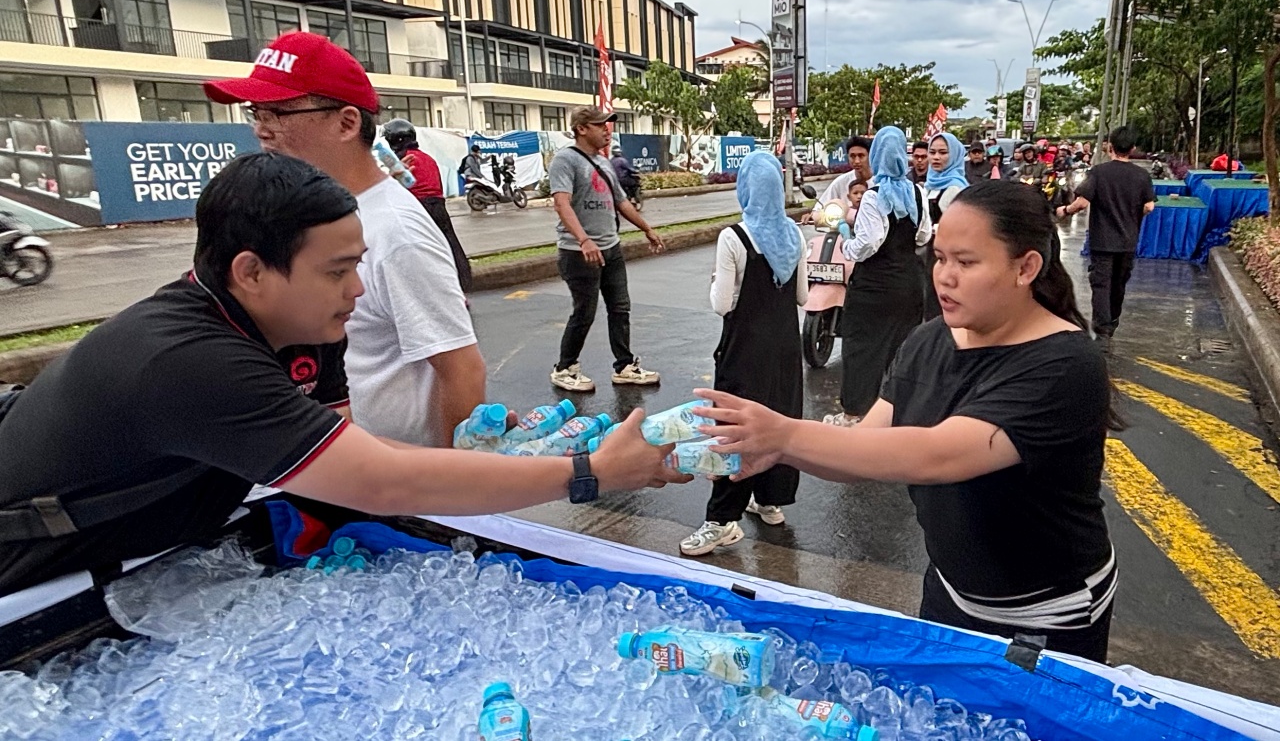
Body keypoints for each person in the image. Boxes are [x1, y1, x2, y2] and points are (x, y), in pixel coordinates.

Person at [0, 153, 687, 597]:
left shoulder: (304, 323)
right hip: (39, 578)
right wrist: (589, 470)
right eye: (337, 270)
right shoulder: (189, 361)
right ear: (251, 272)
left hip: (158, 557)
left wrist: (488, 457)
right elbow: (380, 480)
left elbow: (355, 454)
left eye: (358, 262)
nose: (357, 289)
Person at [695, 181, 1122, 662]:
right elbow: (865, 449)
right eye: (939, 258)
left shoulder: (1064, 364)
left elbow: (935, 456)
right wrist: (772, 447)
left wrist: (785, 431)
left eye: (966, 262)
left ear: (1026, 267)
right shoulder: (929, 340)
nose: (944, 277)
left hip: (1043, 614)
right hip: (950, 587)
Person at [205, 31, 482, 448]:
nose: (261, 130)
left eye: (277, 112)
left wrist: (451, 493)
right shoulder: (306, 213)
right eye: (255, 112)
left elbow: (460, 367)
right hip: (327, 468)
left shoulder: (396, 231)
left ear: (347, 122)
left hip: (392, 487)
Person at [681, 151, 808, 556]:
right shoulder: (794, 235)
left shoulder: (734, 237)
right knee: (779, 422)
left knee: (733, 431)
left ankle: (722, 521)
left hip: (744, 351)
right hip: (787, 349)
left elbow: (722, 304)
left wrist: (718, 280)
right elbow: (803, 296)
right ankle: (769, 501)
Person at [549, 107, 666, 392]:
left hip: (611, 248)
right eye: (600, 125)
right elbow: (561, 204)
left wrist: (646, 229)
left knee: (620, 308)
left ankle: (624, 366)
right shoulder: (565, 161)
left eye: (607, 125)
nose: (607, 130)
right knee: (584, 311)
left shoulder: (604, 163)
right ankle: (565, 368)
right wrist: (583, 240)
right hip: (579, 252)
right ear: (582, 129)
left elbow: (622, 203)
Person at [829, 126, 932, 426]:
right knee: (901, 350)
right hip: (909, 283)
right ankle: (896, 415)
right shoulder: (917, 192)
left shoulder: (874, 196)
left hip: (874, 287)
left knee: (862, 350)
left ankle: (855, 414)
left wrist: (847, 242)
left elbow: (867, 245)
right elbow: (923, 235)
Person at [1057, 126, 1155, 339]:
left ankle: (1103, 330)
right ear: (1133, 148)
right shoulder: (1141, 175)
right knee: (1119, 284)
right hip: (1128, 240)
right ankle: (1113, 321)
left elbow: (1081, 202)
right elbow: (1149, 207)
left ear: (1110, 146)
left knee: (1101, 284)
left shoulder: (1099, 173)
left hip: (1102, 240)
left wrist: (1064, 210)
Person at [382, 117, 472, 295]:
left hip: (418, 208)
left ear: (395, 140)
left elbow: (397, 189)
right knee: (449, 245)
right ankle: (462, 282)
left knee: (419, 253)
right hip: (439, 206)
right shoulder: (427, 157)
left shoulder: (401, 160)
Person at [922, 132, 969, 320]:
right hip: (926, 253)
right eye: (932, 152)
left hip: (946, 256)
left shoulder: (957, 188)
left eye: (942, 152)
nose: (936, 157)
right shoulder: (929, 185)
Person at [808, 136, 873, 223]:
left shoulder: (880, 182)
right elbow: (820, 207)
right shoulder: (840, 182)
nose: (857, 161)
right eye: (852, 156)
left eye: (861, 156)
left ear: (870, 156)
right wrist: (812, 216)